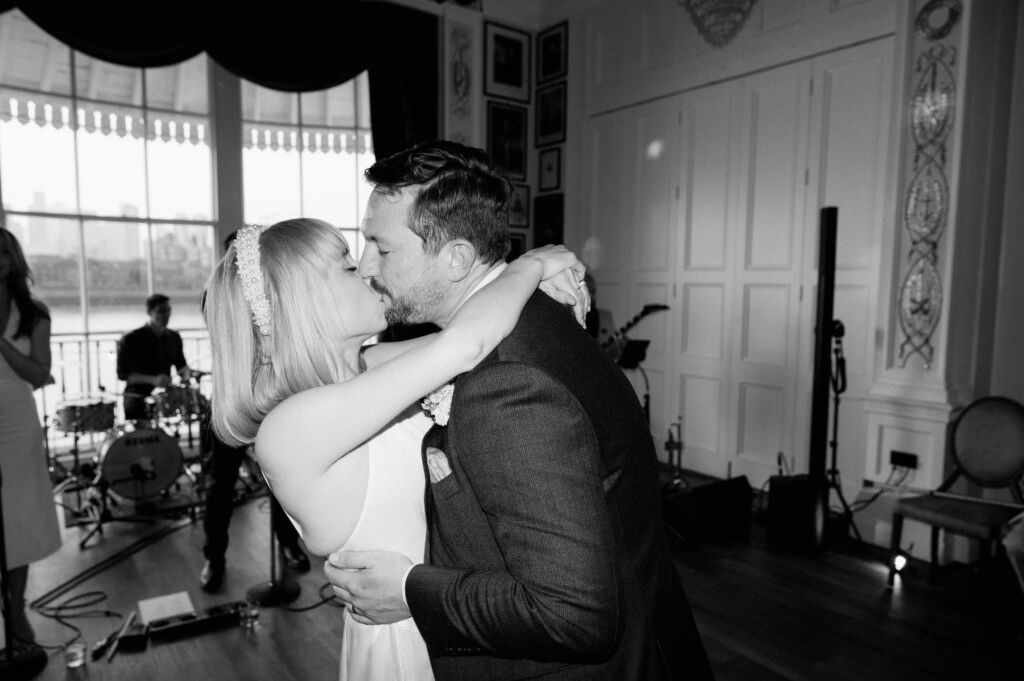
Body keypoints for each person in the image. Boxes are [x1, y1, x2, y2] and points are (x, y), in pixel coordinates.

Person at [325, 140, 714, 680]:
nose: (367, 266)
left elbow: (573, 614)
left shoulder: (506, 384)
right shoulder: (532, 317)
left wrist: (412, 591)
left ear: (456, 258)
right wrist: (531, 264)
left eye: (382, 248)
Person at [203, 217, 586, 680]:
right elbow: (466, 344)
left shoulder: (368, 366)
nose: (366, 272)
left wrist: (541, 283)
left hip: (454, 614)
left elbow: (472, 331)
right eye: (346, 267)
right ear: (301, 303)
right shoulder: (291, 426)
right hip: (408, 642)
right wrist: (532, 264)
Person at [198, 230, 309, 593]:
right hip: (233, 398)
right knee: (220, 485)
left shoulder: (274, 292)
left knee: (281, 479)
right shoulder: (215, 294)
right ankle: (214, 556)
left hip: (274, 396)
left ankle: (288, 543)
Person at [0, 228, 62, 650]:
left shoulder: (34, 311)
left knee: (15, 519)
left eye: (5, 249)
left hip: (16, 420)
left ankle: (15, 609)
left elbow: (40, 375)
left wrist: (2, 345)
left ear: (16, 258)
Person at [116, 293, 192, 421]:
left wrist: (188, 375)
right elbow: (123, 375)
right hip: (137, 396)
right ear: (150, 312)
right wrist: (153, 380)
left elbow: (181, 367)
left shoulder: (174, 338)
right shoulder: (131, 339)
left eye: (168, 310)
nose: (166, 315)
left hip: (165, 396)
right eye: (161, 311)